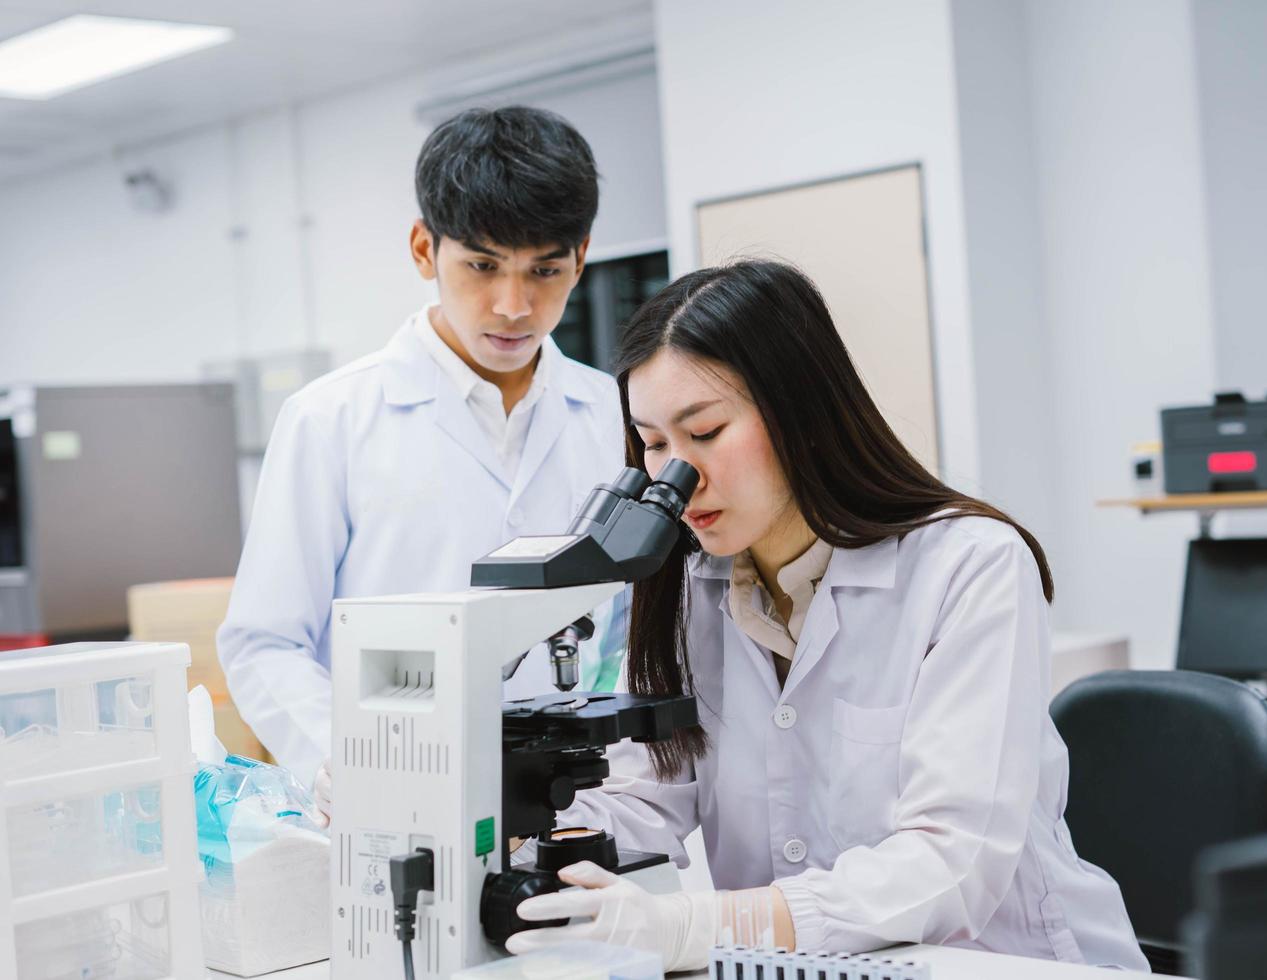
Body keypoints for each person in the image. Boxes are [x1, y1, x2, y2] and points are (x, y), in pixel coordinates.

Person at [505, 260, 1149, 971]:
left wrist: (697, 924)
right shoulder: (688, 589)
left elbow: (949, 863)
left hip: (1004, 962)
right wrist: (517, 829)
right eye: (653, 444)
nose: (675, 478)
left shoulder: (968, 566)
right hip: (795, 964)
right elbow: (646, 798)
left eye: (707, 432)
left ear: (799, 412)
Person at [217, 106, 626, 803]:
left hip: (577, 797)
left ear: (581, 257)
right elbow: (264, 643)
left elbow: (625, 627)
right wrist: (348, 764)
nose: (513, 305)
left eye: (545, 271)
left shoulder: (615, 414)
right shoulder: (331, 418)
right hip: (394, 793)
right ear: (421, 249)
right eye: (481, 265)